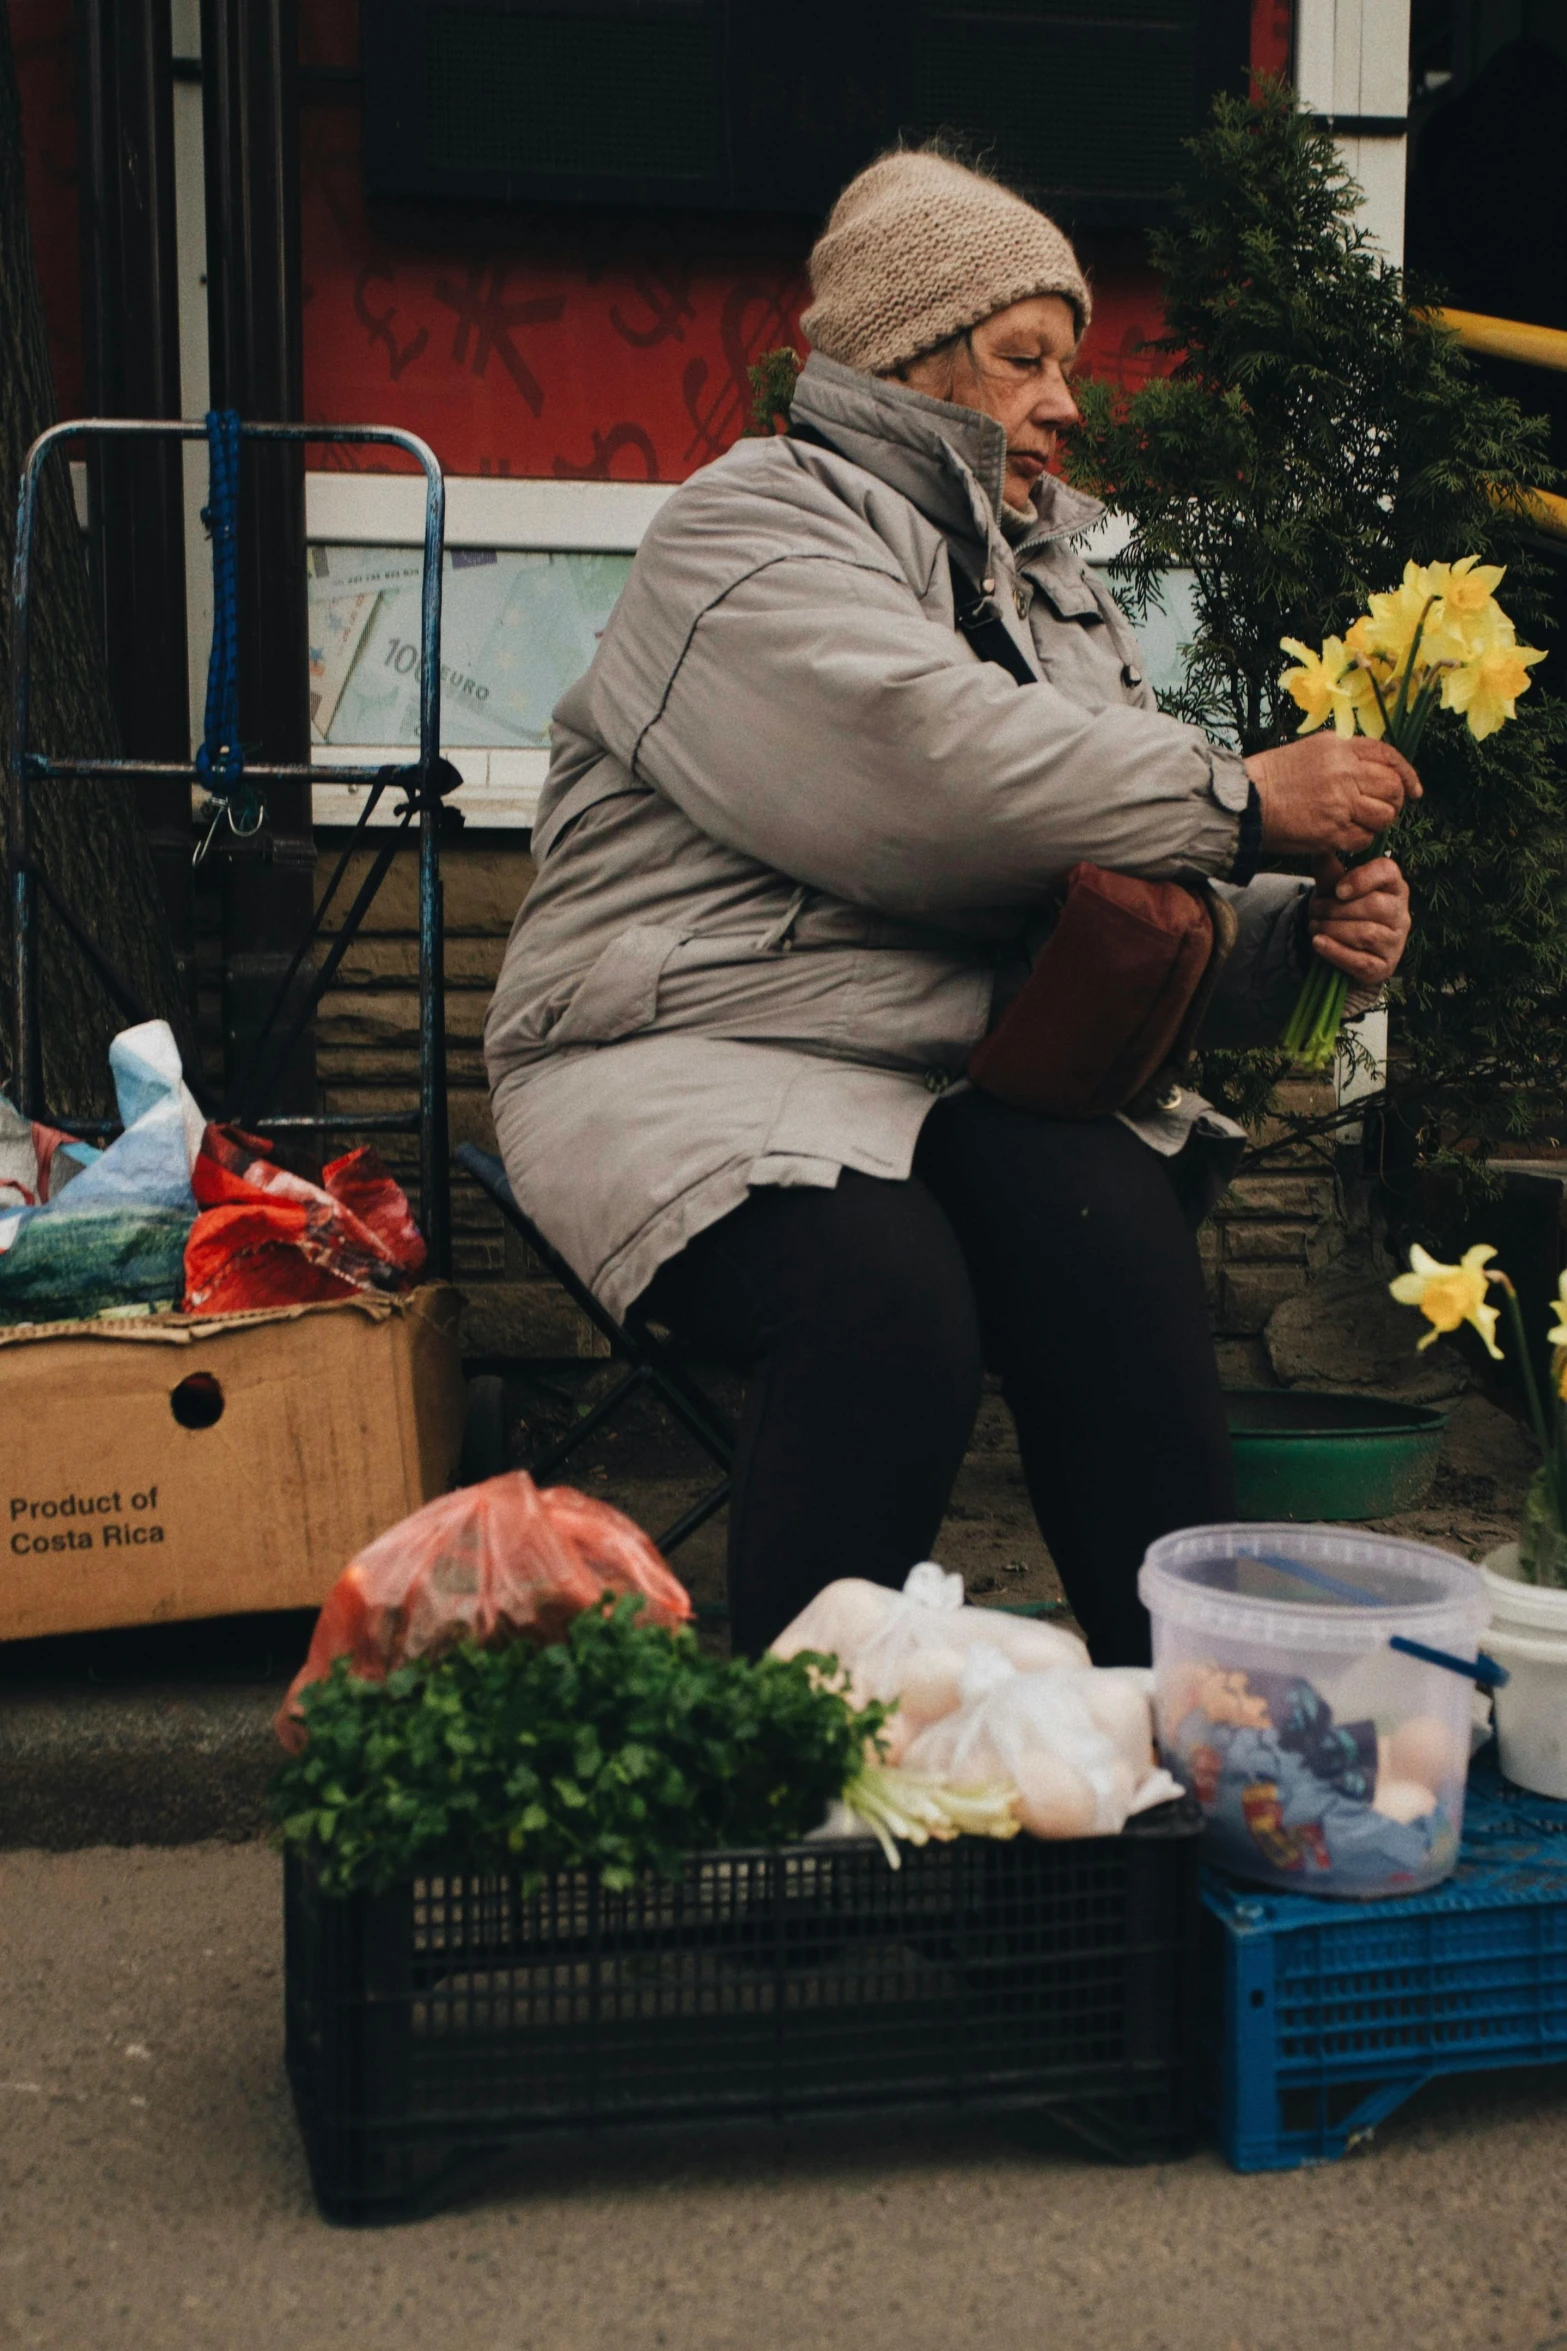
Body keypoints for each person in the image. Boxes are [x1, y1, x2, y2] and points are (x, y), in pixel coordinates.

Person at [484, 150, 1415, 1665]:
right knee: (884, 1298)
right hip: (687, 1053)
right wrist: (1243, 799)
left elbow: (1115, 900)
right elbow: (928, 773)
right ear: (905, 357)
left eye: (1073, 362)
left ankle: (1199, 1739)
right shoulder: (745, 529)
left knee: (1105, 1226)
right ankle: (810, 1805)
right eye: (1023, 358)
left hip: (946, 1068)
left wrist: (1290, 943)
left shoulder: (1048, 586)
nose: (1066, 401)